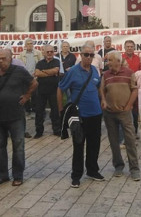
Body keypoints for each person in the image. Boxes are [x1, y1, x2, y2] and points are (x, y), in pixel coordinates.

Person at [0, 49, 37, 187]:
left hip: (16, 116)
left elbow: (34, 83)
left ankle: (18, 176)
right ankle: (1, 175)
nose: (1, 61)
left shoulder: (19, 71)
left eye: (3, 58)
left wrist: (27, 96)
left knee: (18, 147)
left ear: (10, 58)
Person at [58, 42, 104, 188]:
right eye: (86, 55)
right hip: (79, 115)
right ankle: (76, 175)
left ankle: (92, 170)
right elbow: (60, 89)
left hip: (95, 114)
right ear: (80, 55)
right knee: (78, 144)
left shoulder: (94, 71)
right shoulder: (73, 71)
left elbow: (98, 86)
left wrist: (102, 100)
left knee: (94, 144)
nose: (89, 57)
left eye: (92, 55)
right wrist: (61, 110)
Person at [100, 51, 140, 181]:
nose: (108, 63)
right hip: (109, 113)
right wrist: (104, 101)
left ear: (118, 61)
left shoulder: (129, 73)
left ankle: (134, 168)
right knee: (113, 140)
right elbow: (102, 89)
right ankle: (118, 165)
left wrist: (129, 105)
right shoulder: (106, 74)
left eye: (110, 60)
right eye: (108, 61)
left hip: (125, 112)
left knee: (130, 140)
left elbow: (135, 89)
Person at [32, 45, 60, 138]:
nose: (49, 53)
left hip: (53, 90)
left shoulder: (57, 61)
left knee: (55, 111)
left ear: (53, 52)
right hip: (41, 91)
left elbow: (55, 71)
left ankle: (56, 130)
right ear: (43, 52)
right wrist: (49, 72)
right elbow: (37, 73)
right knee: (39, 112)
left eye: (51, 51)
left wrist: (43, 72)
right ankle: (39, 131)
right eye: (47, 52)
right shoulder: (39, 63)